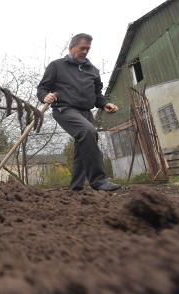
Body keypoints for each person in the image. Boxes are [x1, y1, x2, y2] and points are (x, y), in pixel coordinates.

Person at [37, 33, 121, 191]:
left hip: (86, 112)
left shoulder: (93, 71)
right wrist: (44, 96)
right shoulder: (57, 66)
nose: (85, 52)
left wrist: (105, 104)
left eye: (88, 49)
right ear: (71, 47)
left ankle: (76, 187)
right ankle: (99, 180)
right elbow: (42, 88)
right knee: (88, 132)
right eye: (82, 48)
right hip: (64, 109)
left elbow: (97, 95)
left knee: (86, 142)